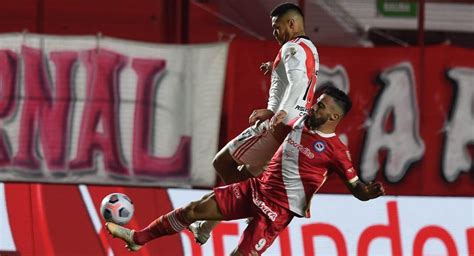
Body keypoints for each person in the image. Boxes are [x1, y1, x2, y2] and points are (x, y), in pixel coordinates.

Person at [105, 86, 385, 255]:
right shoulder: (301, 121)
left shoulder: (337, 150)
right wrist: (268, 112)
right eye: (316, 102)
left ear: (334, 117)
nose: (314, 107)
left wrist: (367, 192)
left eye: (321, 106)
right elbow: (283, 113)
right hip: (255, 189)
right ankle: (138, 238)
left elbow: (356, 188)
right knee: (194, 210)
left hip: (277, 211)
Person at [200, 3, 320, 244]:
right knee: (245, 175)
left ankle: (253, 207)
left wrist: (275, 112)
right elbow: (299, 77)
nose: (274, 33)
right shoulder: (308, 49)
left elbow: (297, 81)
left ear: (292, 24)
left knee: (223, 163)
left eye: (277, 27)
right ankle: (207, 226)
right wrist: (274, 66)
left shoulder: (290, 48)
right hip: (293, 131)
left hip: (278, 126)